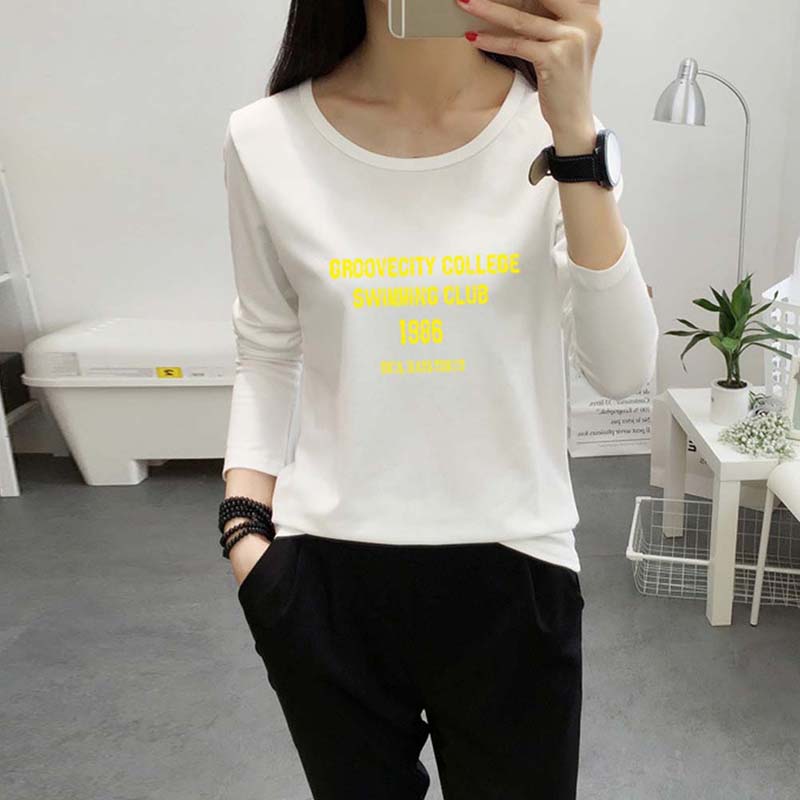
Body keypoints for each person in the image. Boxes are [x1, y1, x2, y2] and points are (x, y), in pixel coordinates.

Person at [218, 0, 659, 797]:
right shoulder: (265, 138)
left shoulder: (557, 134)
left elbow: (623, 369)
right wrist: (245, 531)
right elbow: (267, 349)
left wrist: (573, 132)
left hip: (516, 567)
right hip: (323, 579)